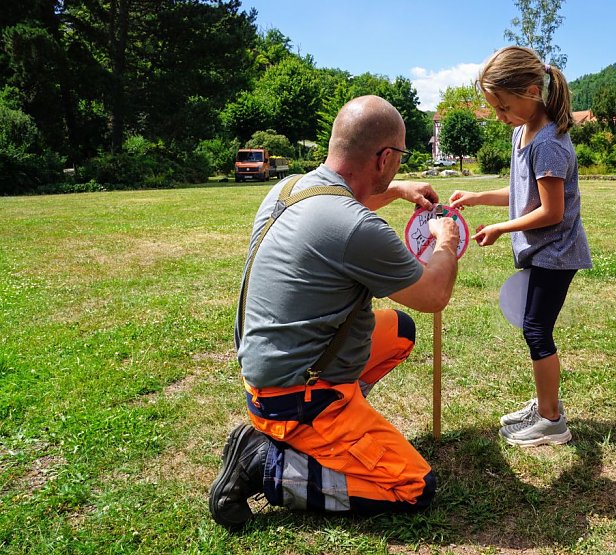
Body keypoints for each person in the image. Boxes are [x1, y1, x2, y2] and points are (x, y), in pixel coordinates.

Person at [209, 95, 460, 531]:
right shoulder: (358, 228)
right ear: (384, 157)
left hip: (268, 372)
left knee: (399, 330)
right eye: (400, 158)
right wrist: (446, 240)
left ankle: (325, 433)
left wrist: (397, 190)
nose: (399, 166)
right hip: (296, 394)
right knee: (413, 486)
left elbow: (341, 211)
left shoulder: (287, 189)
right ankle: (265, 462)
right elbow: (434, 293)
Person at [448, 46, 592, 447]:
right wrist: (476, 198)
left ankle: (551, 422)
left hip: (557, 253)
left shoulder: (549, 142)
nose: (500, 116)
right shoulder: (521, 133)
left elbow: (551, 211)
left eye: (504, 106)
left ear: (531, 92)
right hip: (541, 252)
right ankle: (546, 404)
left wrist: (499, 227)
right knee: (535, 328)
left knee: (536, 330)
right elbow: (521, 193)